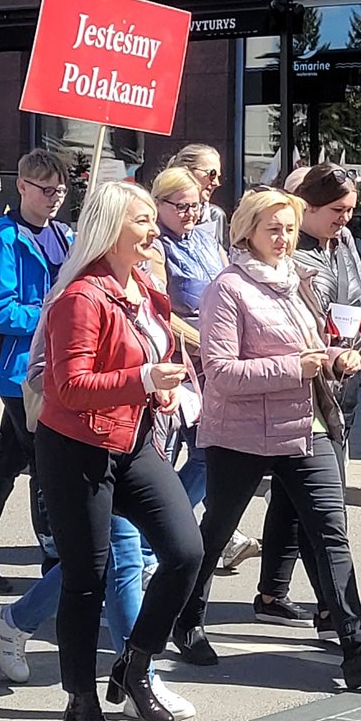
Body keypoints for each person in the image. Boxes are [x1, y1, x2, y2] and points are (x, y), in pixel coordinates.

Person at [172, 187, 361, 693]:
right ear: (247, 232)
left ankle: (355, 644)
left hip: (307, 425)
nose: (283, 239)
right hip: (242, 433)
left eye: (290, 229)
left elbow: (311, 344)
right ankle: (186, 619)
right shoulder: (228, 288)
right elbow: (220, 370)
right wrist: (292, 368)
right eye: (273, 229)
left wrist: (336, 357)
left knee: (330, 532)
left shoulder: (297, 280)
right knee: (216, 532)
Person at [34, 180, 204, 721]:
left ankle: (135, 664)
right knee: (88, 580)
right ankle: (80, 709)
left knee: (186, 552)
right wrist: (143, 382)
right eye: (141, 221)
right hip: (76, 449)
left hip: (131, 442)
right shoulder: (81, 297)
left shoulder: (147, 288)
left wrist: (162, 385)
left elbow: (155, 355)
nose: (154, 230)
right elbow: (70, 386)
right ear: (111, 228)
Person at [256, 163, 361, 622]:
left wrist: (360, 342)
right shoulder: (290, 256)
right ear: (309, 207)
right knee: (323, 506)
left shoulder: (342, 243)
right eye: (338, 210)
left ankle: (270, 594)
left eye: (350, 211)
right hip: (307, 387)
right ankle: (332, 608)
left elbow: (360, 299)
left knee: (292, 498)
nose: (345, 219)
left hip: (345, 383)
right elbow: (300, 321)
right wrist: (332, 350)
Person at [0, 149, 74, 590]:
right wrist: (53, 315)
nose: (54, 198)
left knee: (8, 462)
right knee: (46, 467)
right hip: (21, 372)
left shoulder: (64, 235)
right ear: (23, 186)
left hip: (55, 364)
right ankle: (55, 561)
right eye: (45, 189)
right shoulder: (3, 240)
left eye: (61, 191)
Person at [151, 164, 226, 511]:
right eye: (181, 206)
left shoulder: (206, 239)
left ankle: (162, 533)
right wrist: (200, 340)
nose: (191, 213)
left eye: (196, 205)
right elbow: (155, 310)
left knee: (208, 458)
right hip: (176, 367)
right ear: (158, 204)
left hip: (213, 364)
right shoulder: (153, 247)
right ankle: (154, 539)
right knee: (165, 458)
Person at [167, 144, 226, 247]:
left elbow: (222, 260)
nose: (216, 183)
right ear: (186, 171)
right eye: (212, 174)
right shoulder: (156, 212)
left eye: (218, 177)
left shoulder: (214, 215)